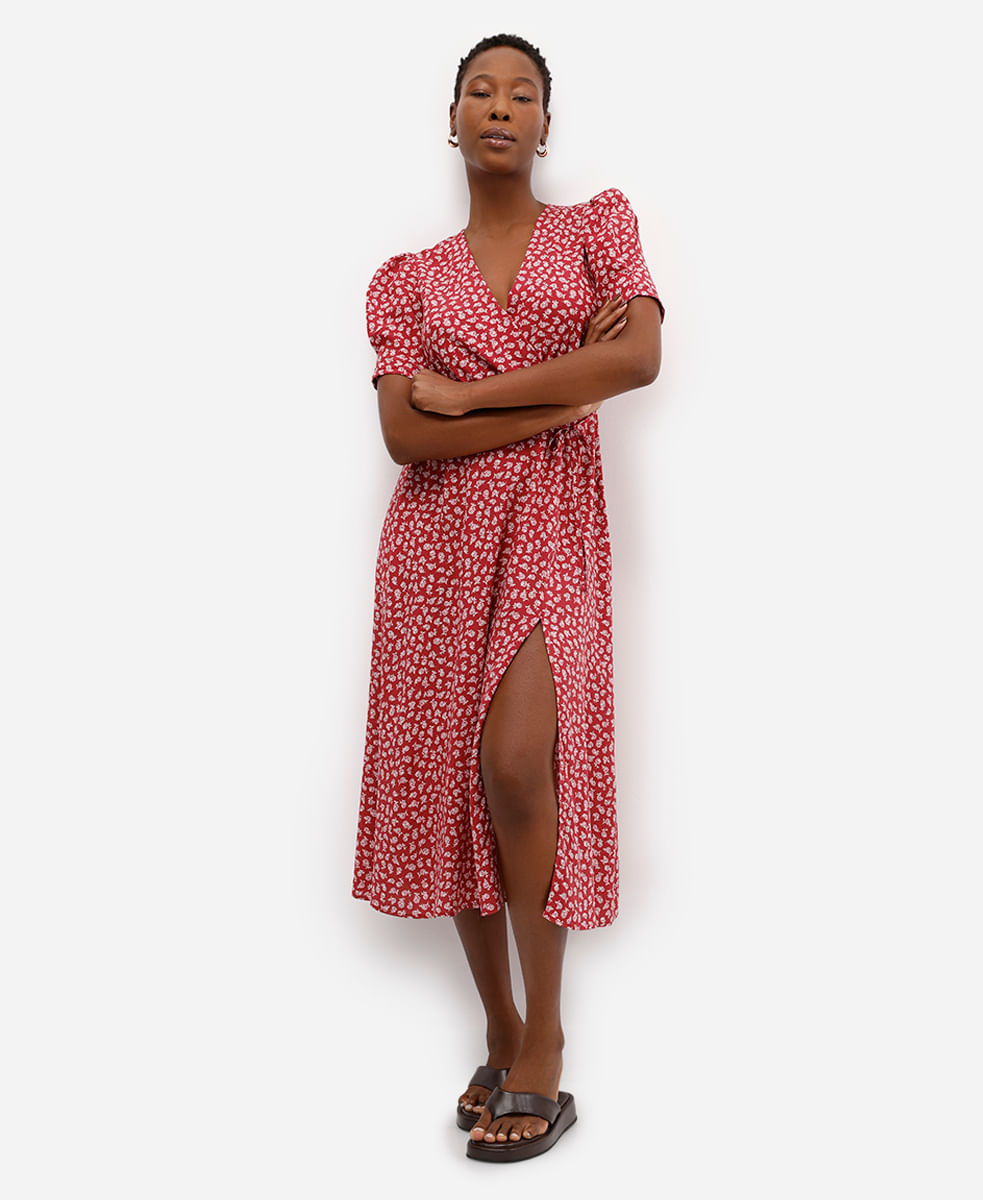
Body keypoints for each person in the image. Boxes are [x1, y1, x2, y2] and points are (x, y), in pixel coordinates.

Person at [352, 32, 664, 1161]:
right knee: (452, 782)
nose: (499, 106)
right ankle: (497, 1024)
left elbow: (636, 362)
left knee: (519, 765)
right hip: (434, 547)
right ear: (451, 121)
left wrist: (471, 398)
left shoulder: (595, 232)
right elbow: (404, 435)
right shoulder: (405, 278)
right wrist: (560, 399)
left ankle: (547, 1040)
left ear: (544, 123)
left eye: (521, 93)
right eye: (479, 91)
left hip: (549, 530)